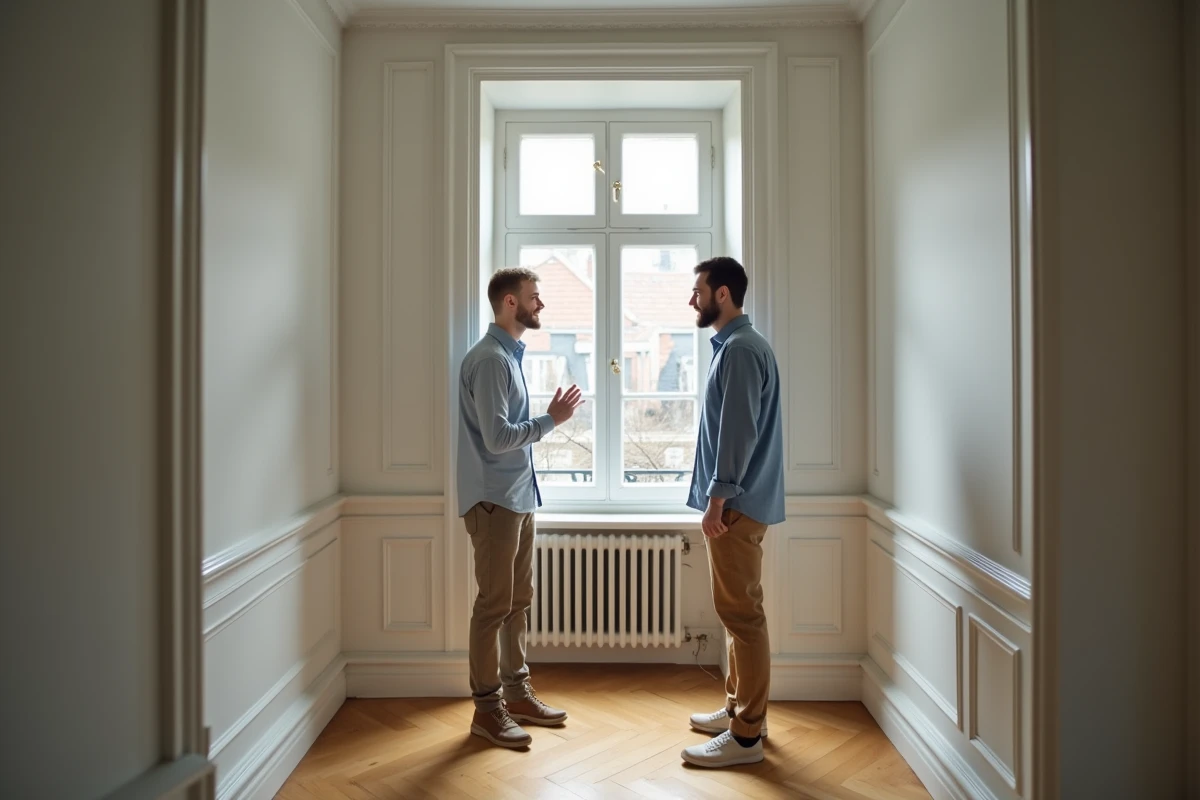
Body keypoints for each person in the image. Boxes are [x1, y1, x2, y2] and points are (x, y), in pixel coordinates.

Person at [457, 267, 584, 748]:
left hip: (515, 498)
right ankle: (487, 711)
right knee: (493, 605)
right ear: (510, 303)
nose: (541, 305)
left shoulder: (507, 356)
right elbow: (497, 438)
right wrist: (551, 420)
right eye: (535, 297)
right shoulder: (491, 360)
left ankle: (516, 693)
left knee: (516, 602)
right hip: (494, 503)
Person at [679, 257, 786, 768]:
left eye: (697, 290)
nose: (692, 299)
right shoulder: (738, 346)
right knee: (735, 613)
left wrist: (717, 500)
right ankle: (739, 710)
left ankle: (746, 738)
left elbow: (737, 434)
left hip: (736, 507)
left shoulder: (741, 351)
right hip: (739, 503)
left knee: (742, 616)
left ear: (722, 294)